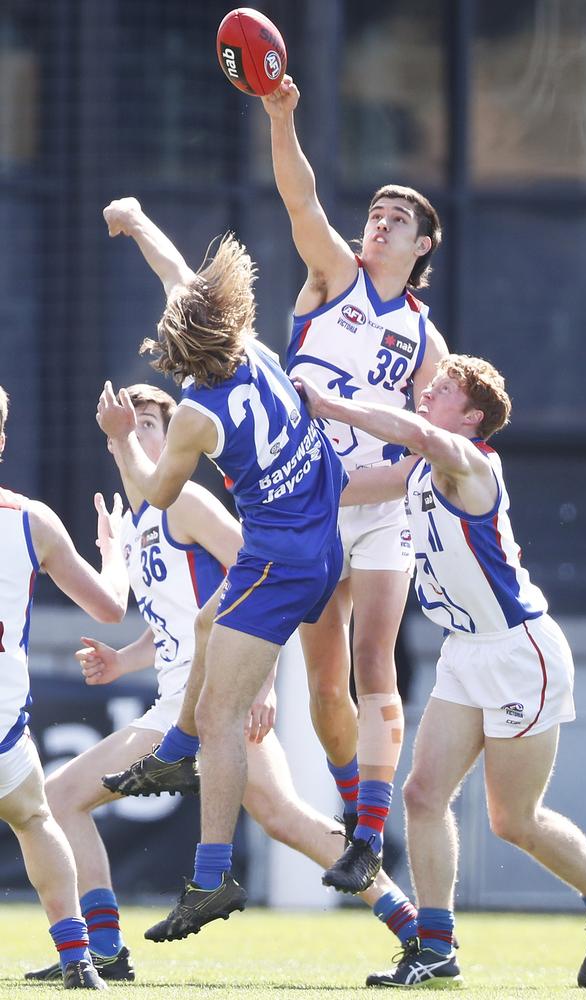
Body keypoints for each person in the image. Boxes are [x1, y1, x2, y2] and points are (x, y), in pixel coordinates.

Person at [27, 382, 422, 978]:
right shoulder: (138, 525)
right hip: (183, 699)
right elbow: (178, 628)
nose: (136, 434)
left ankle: (104, 952)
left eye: (151, 425)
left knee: (59, 800)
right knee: (285, 817)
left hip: (217, 698)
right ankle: (413, 926)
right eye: (128, 426)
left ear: (175, 436)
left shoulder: (183, 500)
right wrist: (122, 660)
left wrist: (260, 686)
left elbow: (264, 577)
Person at [293, 354, 586, 989]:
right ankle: (437, 949)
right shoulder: (419, 470)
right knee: (422, 795)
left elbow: (423, 437)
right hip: (464, 651)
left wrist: (332, 405)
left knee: (513, 820)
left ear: (473, 416)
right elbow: (346, 490)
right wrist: (264, 479)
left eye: (444, 389)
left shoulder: (469, 461)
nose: (427, 393)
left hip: (519, 653)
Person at [91, 196, 347, 943]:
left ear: (180, 355)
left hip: (280, 559)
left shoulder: (198, 414)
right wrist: (138, 220)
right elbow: (178, 274)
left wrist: (121, 439)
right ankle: (175, 753)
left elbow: (155, 494)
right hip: (316, 536)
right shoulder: (252, 346)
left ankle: (210, 879)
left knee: (221, 717)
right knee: (209, 622)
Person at [261, 75, 449, 894]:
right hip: (310, 502)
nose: (379, 221)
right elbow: (300, 194)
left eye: (397, 217)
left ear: (422, 247)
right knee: (323, 687)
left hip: (372, 504)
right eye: (376, 211)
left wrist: (363, 488)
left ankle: (371, 836)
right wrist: (281, 115)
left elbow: (425, 451)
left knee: (378, 659)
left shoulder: (424, 338)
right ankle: (355, 815)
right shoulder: (333, 273)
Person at [0, 385, 129, 990]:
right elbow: (109, 608)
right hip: (2, 719)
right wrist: (116, 553)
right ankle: (78, 956)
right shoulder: (33, 521)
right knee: (33, 817)